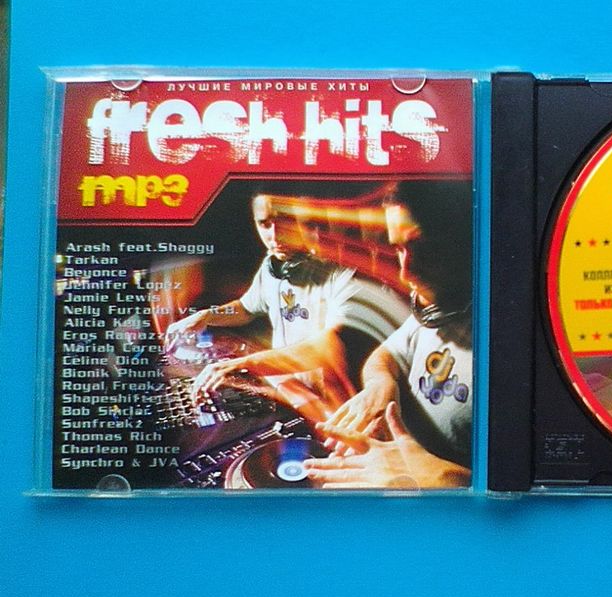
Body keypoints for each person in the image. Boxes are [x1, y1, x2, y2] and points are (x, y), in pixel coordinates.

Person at [303, 180, 473, 489]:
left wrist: (437, 477)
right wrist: (380, 384)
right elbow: (385, 356)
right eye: (399, 249)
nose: (406, 273)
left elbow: (534, 493)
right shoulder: (440, 307)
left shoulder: (517, 344)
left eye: (425, 250)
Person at [165, 190, 358, 419]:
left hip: (334, 404)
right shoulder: (272, 266)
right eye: (265, 224)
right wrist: (206, 316)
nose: (275, 237)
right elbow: (246, 308)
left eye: (286, 222)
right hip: (292, 392)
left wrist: (243, 364)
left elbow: (326, 349)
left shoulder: (345, 274)